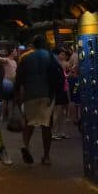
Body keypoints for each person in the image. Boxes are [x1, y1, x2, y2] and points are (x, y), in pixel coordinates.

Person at [14, 35, 65, 165]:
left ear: (34, 45)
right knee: (46, 125)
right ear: (45, 44)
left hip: (30, 95)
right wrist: (56, 94)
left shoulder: (25, 58)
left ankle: (26, 145)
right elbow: (58, 76)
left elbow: (18, 78)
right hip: (46, 95)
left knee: (29, 122)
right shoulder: (50, 57)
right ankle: (46, 157)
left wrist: (16, 95)